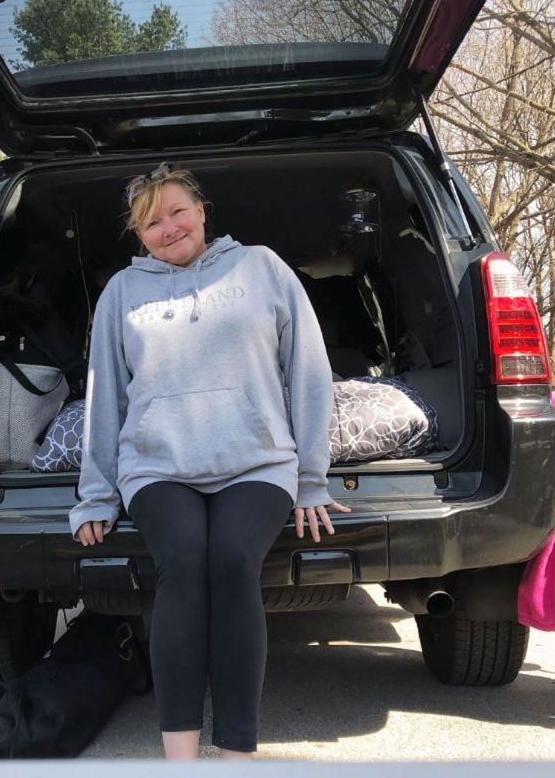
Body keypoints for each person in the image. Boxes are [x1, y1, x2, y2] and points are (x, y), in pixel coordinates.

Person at [69, 163, 350, 760]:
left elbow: (308, 371)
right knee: (184, 562)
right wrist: (96, 495)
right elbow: (105, 394)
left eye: (177, 211)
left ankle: (236, 754)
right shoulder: (123, 291)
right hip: (158, 465)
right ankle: (180, 758)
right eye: (151, 222)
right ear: (137, 234)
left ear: (200, 210)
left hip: (256, 461)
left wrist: (310, 480)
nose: (168, 228)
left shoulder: (261, 267)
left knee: (230, 561)